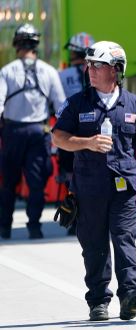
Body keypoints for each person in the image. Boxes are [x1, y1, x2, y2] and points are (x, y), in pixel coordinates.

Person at [52, 41, 136, 321]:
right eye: (89, 65)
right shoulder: (77, 104)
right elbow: (58, 137)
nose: (90, 70)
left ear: (116, 70)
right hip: (88, 188)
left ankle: (130, 295)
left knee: (125, 239)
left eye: (97, 65)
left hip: (125, 187)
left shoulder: (135, 104)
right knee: (94, 244)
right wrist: (87, 142)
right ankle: (98, 301)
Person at [0, 23, 66, 240]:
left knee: (9, 182)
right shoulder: (49, 71)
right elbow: (61, 105)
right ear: (36, 45)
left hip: (13, 132)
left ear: (16, 44)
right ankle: (35, 227)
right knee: (36, 182)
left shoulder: (7, 71)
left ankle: (5, 227)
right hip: (40, 131)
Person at [58, 32, 95, 236]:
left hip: (68, 134)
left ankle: (73, 218)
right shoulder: (98, 72)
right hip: (93, 132)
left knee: (70, 176)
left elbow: (54, 102)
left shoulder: (62, 76)